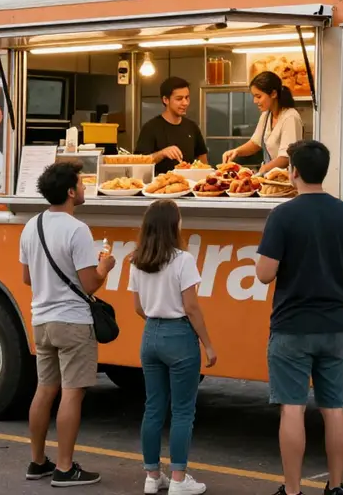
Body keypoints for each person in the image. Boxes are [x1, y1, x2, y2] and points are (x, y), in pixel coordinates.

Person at [255, 140, 343, 495]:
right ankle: (336, 487)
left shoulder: (283, 215)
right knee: (334, 408)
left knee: (292, 408)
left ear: (294, 172)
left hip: (292, 326)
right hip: (335, 325)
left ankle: (292, 490)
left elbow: (264, 274)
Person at [20, 161, 117, 487]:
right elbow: (89, 284)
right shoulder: (77, 229)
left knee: (44, 390)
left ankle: (37, 461)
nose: (86, 188)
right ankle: (64, 467)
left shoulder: (31, 226)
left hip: (41, 319)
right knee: (72, 394)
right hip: (73, 322)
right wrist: (106, 266)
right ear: (71, 191)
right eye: (82, 183)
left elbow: (26, 277)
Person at [130, 200, 216, 495]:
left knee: (153, 407)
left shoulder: (137, 260)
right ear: (172, 225)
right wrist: (207, 344)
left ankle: (153, 476)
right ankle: (179, 478)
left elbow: (138, 307)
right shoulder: (183, 260)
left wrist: (157, 316)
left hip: (150, 334)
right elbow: (191, 307)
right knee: (182, 411)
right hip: (179, 336)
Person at [222, 71, 303, 175]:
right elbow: (255, 143)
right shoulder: (266, 115)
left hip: (287, 180)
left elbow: (286, 158)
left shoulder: (290, 117)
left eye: (258, 96)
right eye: (254, 96)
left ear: (273, 94)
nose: (255, 101)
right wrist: (236, 151)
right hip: (270, 177)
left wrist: (263, 169)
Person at [135, 77, 209, 175]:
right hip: (161, 187)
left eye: (187, 98)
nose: (185, 103)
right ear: (166, 100)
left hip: (189, 185)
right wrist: (162, 153)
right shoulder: (150, 128)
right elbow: (139, 163)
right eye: (179, 99)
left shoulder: (192, 127)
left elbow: (203, 160)